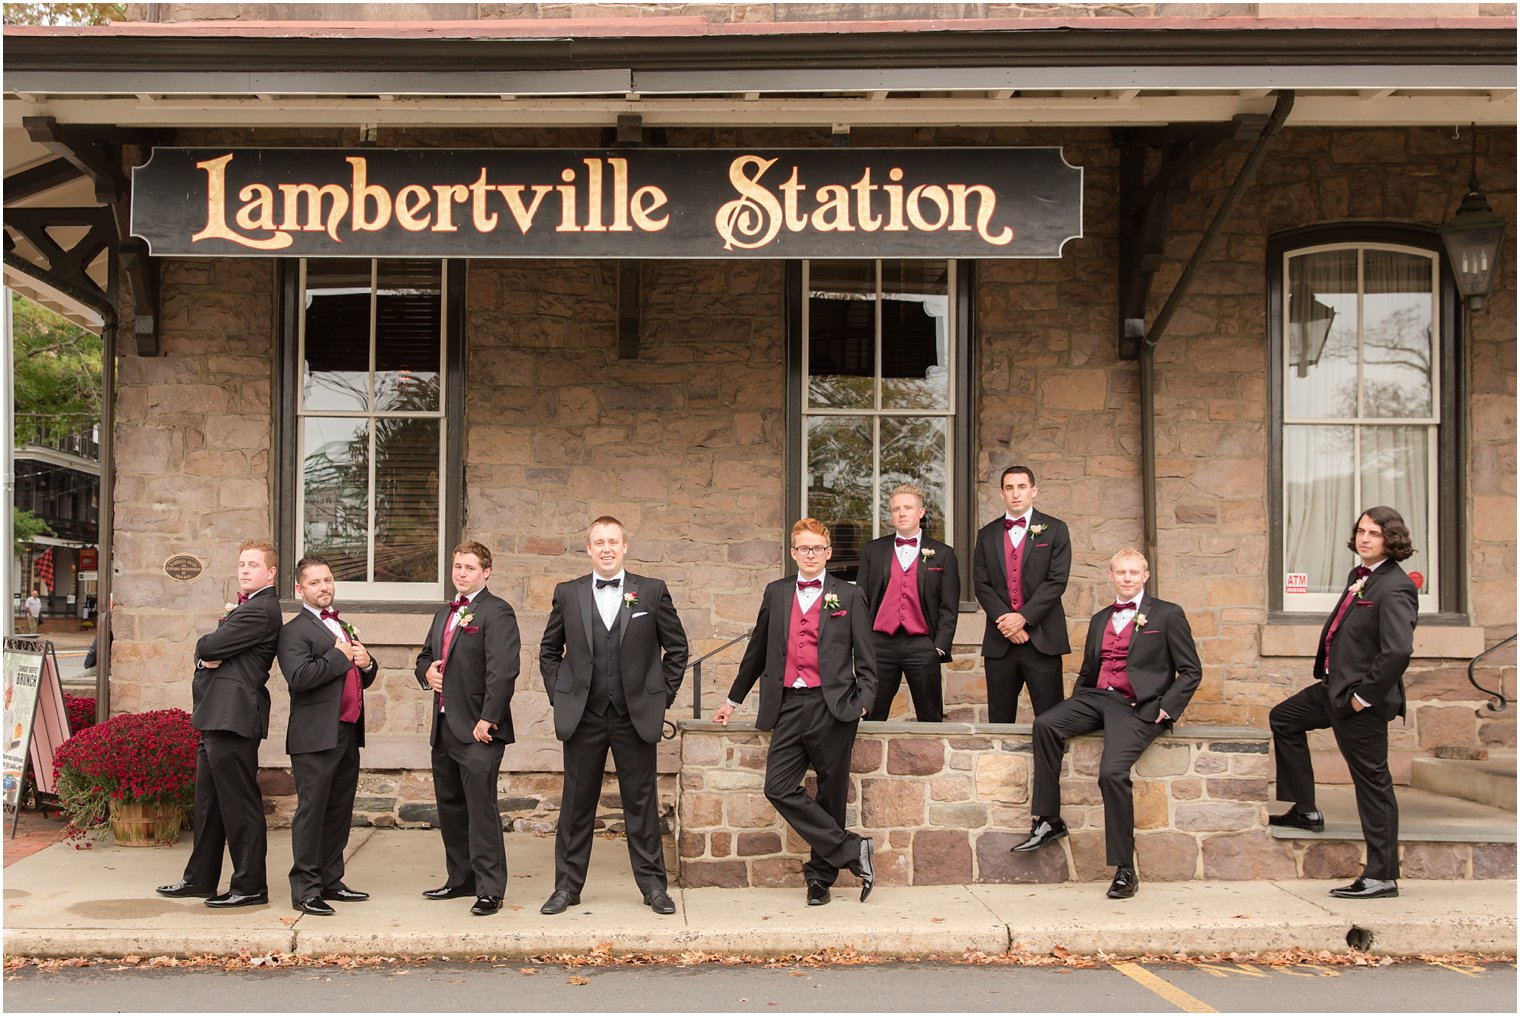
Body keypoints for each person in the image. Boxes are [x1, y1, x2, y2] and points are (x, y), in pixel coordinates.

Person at [1012, 548, 1202, 900]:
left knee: (1111, 774)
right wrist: (1078, 700)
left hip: (1137, 705)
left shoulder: (1167, 614)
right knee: (1046, 724)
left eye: (1134, 572)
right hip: (1097, 698)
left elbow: (1191, 670)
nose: (1127, 578)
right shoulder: (1100, 618)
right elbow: (1089, 669)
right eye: (1121, 572)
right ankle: (1048, 819)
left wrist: (1168, 707)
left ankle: (1124, 869)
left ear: (1145, 576)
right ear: (1110, 576)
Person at [713, 518, 878, 907]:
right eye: (802, 548)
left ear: (828, 553)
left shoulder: (849, 596)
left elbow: (868, 657)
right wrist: (732, 700)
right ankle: (852, 848)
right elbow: (756, 651)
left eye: (816, 548)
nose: (809, 555)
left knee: (831, 793)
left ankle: (820, 878)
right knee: (778, 786)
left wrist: (864, 701)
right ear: (792, 553)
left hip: (833, 705)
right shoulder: (778, 592)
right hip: (787, 702)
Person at [538, 516, 689, 916]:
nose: (606, 548)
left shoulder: (651, 592)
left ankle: (654, 887)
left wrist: (661, 697)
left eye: (613, 541)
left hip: (634, 714)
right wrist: (562, 696)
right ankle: (566, 888)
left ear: (625, 547)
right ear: (588, 549)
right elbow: (549, 652)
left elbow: (677, 650)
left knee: (641, 802)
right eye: (598, 542)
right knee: (576, 804)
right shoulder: (567, 593)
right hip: (583, 716)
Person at [1268, 507, 1418, 901]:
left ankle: (1382, 876)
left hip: (1362, 700)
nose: (1365, 538)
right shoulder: (1360, 577)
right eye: (1361, 531)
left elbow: (1398, 651)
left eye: (1374, 533)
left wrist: (1362, 698)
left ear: (1391, 540)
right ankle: (1305, 809)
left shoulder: (1396, 586)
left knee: (1373, 785)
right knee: (1283, 718)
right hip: (1333, 688)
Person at [157, 539, 282, 908]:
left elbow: (210, 647)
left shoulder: (260, 610)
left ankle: (250, 886)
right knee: (208, 804)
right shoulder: (247, 608)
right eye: (242, 563)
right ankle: (200, 879)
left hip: (234, 717)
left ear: (270, 572)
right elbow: (212, 654)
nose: (244, 569)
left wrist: (207, 648)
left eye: (253, 565)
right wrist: (209, 653)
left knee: (239, 804)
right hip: (216, 715)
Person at [414, 540, 520, 916]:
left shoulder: (497, 612)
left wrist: (488, 719)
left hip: (479, 728)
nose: (461, 573)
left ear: (485, 572)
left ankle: (490, 888)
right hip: (443, 726)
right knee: (451, 807)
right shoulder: (445, 613)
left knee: (481, 808)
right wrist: (425, 671)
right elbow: (425, 655)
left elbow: (503, 670)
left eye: (469, 567)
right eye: (457, 566)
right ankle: (461, 879)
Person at [277, 555, 378, 916]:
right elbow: (300, 678)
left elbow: (357, 672)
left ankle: (332, 880)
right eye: (316, 582)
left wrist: (367, 664)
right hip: (314, 735)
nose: (324, 587)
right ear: (299, 589)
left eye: (328, 580)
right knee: (312, 811)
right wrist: (339, 656)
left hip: (347, 730)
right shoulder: (293, 631)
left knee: (339, 809)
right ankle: (305, 888)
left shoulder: (341, 624)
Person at [972, 465, 1071, 723]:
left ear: (1034, 490)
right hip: (1001, 640)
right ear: (1002, 493)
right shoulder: (986, 534)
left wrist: (1023, 617)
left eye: (1022, 487)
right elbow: (981, 583)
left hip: (1043, 640)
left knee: (1051, 721)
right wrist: (1008, 622)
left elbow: (1056, 582)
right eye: (1009, 488)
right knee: (999, 720)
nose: (1016, 493)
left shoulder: (1056, 530)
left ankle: (1049, 765)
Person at [855, 483, 960, 723]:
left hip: (923, 644)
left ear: (920, 512)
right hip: (880, 643)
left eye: (908, 508)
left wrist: (939, 647)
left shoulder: (943, 554)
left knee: (930, 717)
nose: (901, 513)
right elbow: (861, 600)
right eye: (896, 509)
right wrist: (864, 643)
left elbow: (949, 606)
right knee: (872, 714)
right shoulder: (874, 550)